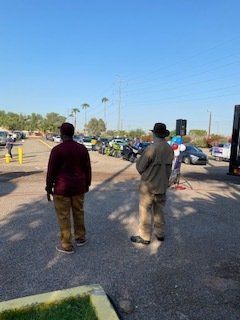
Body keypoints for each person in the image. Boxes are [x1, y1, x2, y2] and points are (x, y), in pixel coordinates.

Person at [46, 122, 92, 254]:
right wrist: (87, 184)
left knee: (63, 216)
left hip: (62, 189)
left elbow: (51, 172)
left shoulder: (57, 150)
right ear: (72, 133)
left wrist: (48, 189)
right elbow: (87, 169)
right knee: (79, 212)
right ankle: (80, 238)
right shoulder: (82, 149)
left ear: (62, 134)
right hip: (79, 187)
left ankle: (66, 244)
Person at [131, 123, 174, 245]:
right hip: (162, 186)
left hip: (148, 187)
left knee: (145, 212)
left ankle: (144, 237)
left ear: (154, 133)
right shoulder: (169, 148)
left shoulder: (151, 148)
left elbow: (140, 167)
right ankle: (160, 234)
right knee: (159, 211)